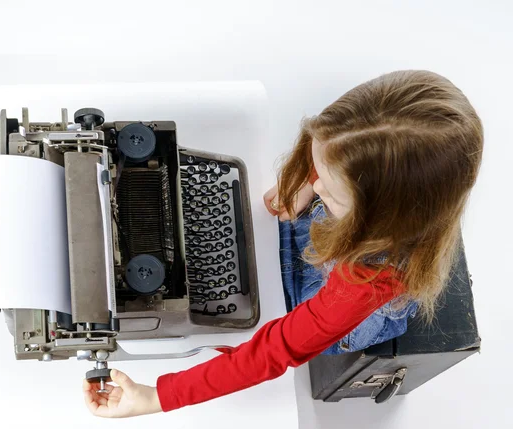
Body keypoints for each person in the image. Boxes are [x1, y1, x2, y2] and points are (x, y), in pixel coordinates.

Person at [83, 70, 483, 418]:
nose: (318, 181)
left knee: (269, 320)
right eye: (320, 166)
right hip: (351, 246)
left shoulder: (371, 281)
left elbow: (277, 349)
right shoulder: (364, 141)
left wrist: (156, 396)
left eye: (332, 188)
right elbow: (334, 153)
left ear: (381, 215)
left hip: (349, 308)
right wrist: (309, 187)